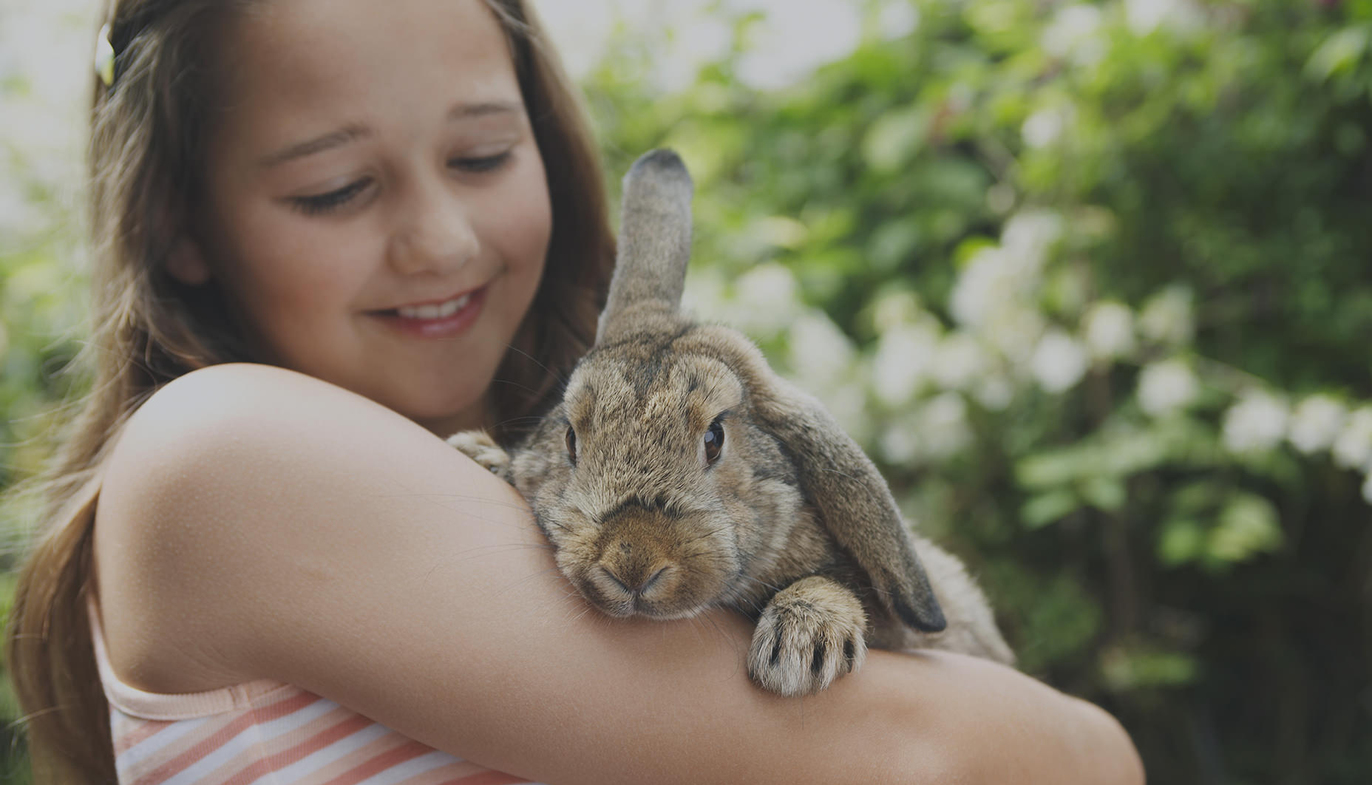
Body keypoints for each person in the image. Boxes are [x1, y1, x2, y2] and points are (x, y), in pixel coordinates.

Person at [4, 1, 1146, 783]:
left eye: (484, 157)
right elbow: (966, 754)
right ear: (177, 223)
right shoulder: (223, 455)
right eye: (337, 188)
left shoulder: (518, 484)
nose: (440, 239)